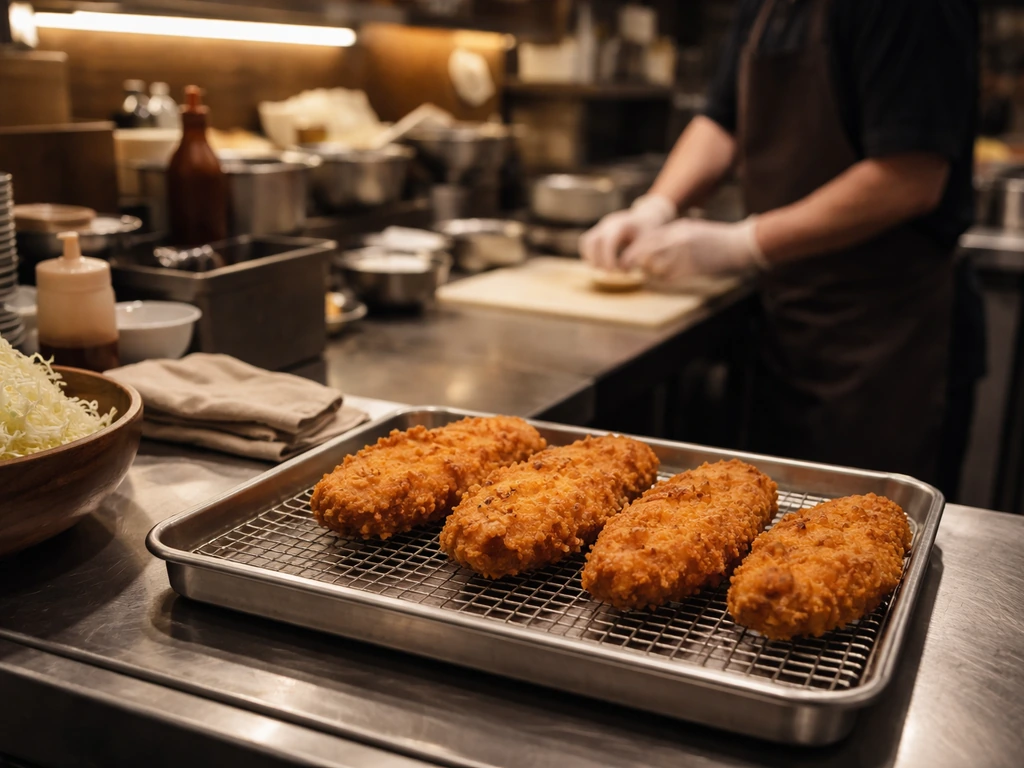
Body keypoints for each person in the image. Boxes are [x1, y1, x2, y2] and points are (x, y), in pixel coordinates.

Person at [580, 0, 985, 490]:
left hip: (889, 337)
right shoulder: (766, 7)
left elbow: (910, 177)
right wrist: (656, 206)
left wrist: (742, 243)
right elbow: (721, 120)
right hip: (792, 318)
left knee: (866, 529)